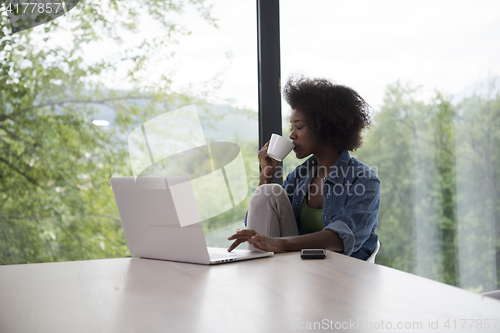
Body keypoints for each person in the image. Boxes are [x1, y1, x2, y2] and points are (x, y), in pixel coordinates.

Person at [227, 75, 380, 260]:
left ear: (324, 127)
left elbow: (342, 238)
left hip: (342, 272)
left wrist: (280, 243)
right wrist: (266, 176)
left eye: (298, 127)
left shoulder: (364, 179)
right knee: (269, 192)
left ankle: (264, 282)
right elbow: (259, 222)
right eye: (292, 127)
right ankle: (263, 283)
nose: (291, 135)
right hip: (299, 269)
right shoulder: (300, 176)